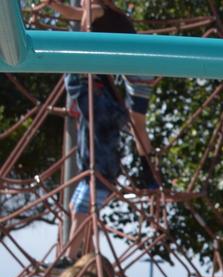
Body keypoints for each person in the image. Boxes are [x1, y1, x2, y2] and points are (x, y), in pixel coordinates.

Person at [43, 0, 159, 261]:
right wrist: (53, 4)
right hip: (131, 69)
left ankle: (149, 173)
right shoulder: (98, 14)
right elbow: (74, 15)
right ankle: (148, 172)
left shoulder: (99, 11)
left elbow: (78, 15)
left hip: (140, 69)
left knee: (136, 122)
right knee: (132, 121)